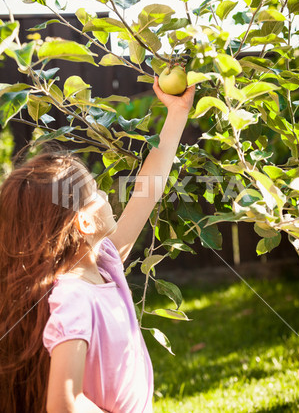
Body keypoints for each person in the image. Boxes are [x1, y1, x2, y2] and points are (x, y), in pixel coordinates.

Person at [0, 76, 195, 413]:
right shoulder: (73, 297)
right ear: (85, 222)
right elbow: (64, 403)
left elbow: (148, 189)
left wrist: (177, 113)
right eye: (97, 193)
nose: (107, 195)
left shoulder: (103, 261)